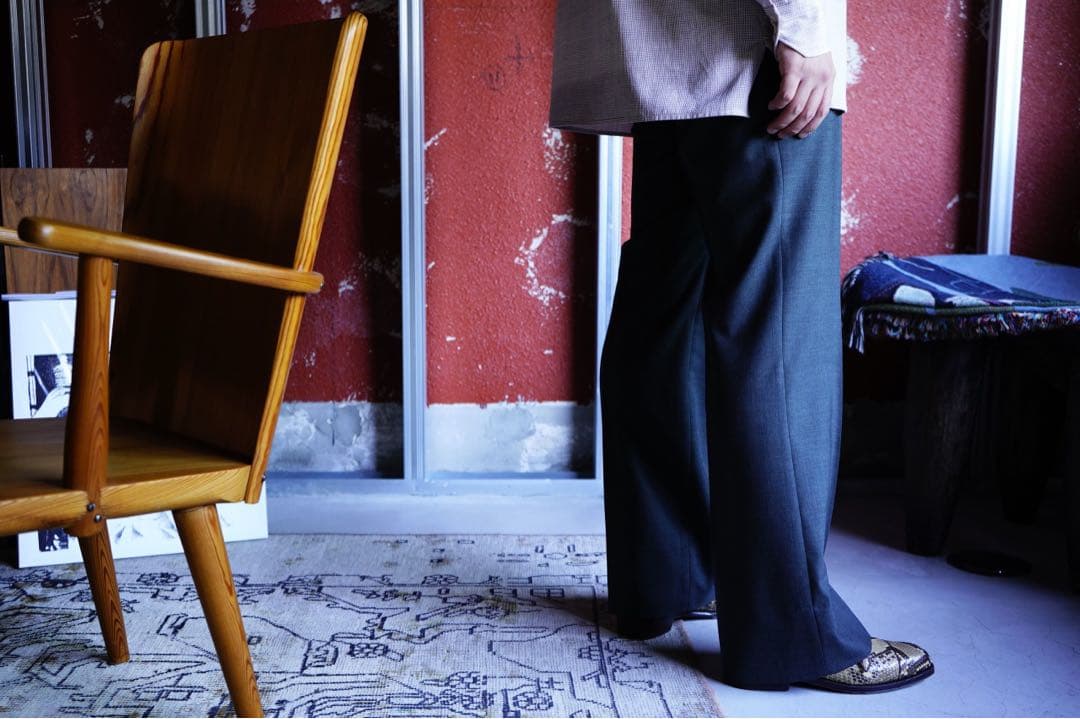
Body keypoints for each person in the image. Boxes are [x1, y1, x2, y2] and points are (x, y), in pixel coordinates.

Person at [549, 0, 934, 693]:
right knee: (781, 329)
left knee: (664, 312)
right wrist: (802, 25)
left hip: (657, 53)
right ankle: (795, 635)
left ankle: (664, 578)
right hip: (747, 41)